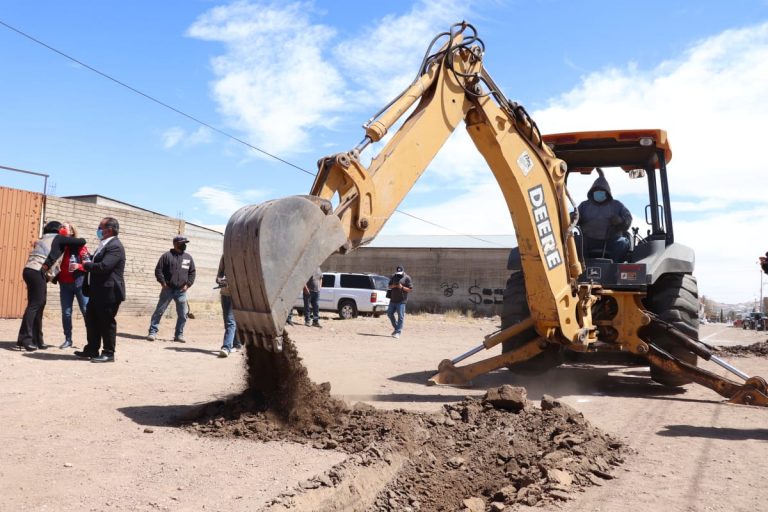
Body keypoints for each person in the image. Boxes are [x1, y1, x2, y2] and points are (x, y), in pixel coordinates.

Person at [16, 220, 83, 351]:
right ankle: (24, 339)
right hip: (37, 272)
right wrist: (67, 236)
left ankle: (37, 340)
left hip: (30, 271)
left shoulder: (43, 238)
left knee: (39, 305)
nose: (62, 229)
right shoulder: (58, 238)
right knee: (35, 305)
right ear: (57, 230)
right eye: (61, 227)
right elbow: (81, 241)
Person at [74, 217, 126, 362]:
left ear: (109, 230)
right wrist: (87, 259)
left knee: (106, 322)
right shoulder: (103, 244)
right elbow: (96, 262)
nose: (98, 230)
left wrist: (85, 265)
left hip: (109, 292)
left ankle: (109, 353)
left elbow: (104, 267)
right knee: (92, 320)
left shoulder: (115, 246)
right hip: (96, 291)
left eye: (100, 227)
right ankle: (92, 349)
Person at [146, 235, 196, 342]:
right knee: (159, 311)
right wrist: (163, 283)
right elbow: (158, 270)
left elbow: (192, 272)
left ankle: (179, 335)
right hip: (167, 289)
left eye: (185, 243)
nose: (184, 245)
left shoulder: (188, 257)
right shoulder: (166, 256)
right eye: (182, 243)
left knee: (183, 314)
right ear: (175, 244)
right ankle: (152, 332)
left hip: (181, 291)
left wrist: (188, 285)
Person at [576, 169, 632, 263]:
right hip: (589, 241)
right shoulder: (584, 205)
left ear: (607, 192)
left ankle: (613, 269)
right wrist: (574, 217)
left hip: (611, 241)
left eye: (601, 190)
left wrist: (620, 221)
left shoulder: (617, 205)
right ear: (592, 191)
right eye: (596, 190)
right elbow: (574, 218)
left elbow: (628, 219)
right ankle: (581, 266)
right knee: (576, 240)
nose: (598, 192)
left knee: (623, 242)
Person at [54, 222, 91, 349]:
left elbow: (89, 265)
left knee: (86, 311)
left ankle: (91, 340)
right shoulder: (60, 246)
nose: (62, 229)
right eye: (61, 227)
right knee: (66, 313)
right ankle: (68, 339)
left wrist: (79, 266)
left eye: (65, 227)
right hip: (64, 284)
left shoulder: (80, 247)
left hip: (79, 284)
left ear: (72, 231)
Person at [215, 256, 242, 358]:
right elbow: (220, 273)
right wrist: (219, 280)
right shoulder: (225, 256)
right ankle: (237, 343)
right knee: (227, 321)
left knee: (230, 321)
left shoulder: (243, 256)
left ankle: (226, 347)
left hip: (237, 295)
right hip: (225, 294)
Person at [387, 265, 413, 339]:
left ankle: (398, 332)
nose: (398, 274)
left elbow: (410, 289)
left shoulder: (407, 278)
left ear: (403, 272)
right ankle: (397, 328)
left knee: (400, 317)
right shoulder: (393, 276)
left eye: (400, 273)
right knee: (389, 314)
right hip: (392, 300)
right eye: (398, 273)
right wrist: (394, 286)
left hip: (402, 300)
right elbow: (389, 286)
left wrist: (402, 287)